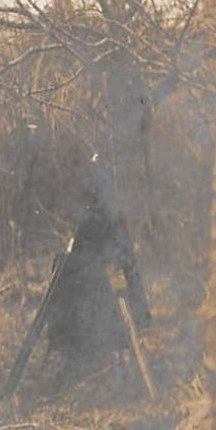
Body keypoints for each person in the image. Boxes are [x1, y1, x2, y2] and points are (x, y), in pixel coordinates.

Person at [44, 155, 151, 392]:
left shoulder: (105, 214)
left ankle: (93, 364)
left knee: (78, 291)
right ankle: (80, 360)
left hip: (108, 292)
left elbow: (106, 252)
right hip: (101, 283)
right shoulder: (100, 212)